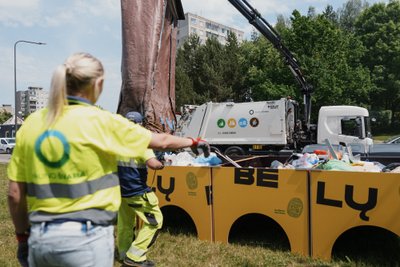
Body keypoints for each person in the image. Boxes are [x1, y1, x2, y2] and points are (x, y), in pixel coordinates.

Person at [7, 52, 210, 267]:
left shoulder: (32, 123)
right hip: (87, 239)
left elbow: (14, 194)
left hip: (41, 237)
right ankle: (134, 255)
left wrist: (22, 238)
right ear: (99, 84)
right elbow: (162, 142)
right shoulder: (104, 122)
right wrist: (194, 141)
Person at [117, 111, 164, 267]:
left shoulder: (117, 143)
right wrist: (161, 163)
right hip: (137, 191)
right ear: (140, 125)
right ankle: (134, 257)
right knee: (155, 221)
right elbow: (153, 164)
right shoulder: (140, 141)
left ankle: (123, 253)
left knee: (125, 223)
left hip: (121, 192)